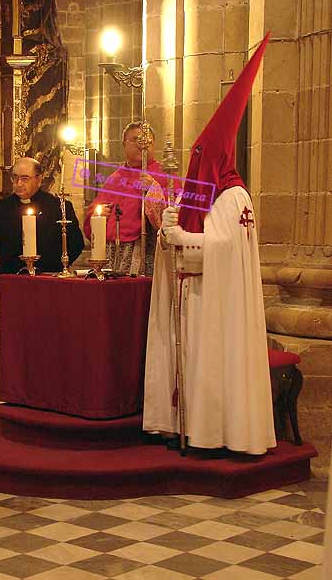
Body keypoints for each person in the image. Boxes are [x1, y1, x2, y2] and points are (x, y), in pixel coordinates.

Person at [143, 34, 276, 456]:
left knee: (213, 366)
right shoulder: (200, 193)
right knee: (193, 369)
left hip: (216, 301)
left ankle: (217, 434)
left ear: (217, 159)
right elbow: (180, 233)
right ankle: (187, 428)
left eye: (201, 155)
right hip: (190, 295)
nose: (194, 163)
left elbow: (228, 248)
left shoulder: (235, 197)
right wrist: (166, 229)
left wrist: (184, 236)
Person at [83, 122, 167, 276]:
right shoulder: (115, 177)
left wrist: (153, 188)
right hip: (111, 251)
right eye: (135, 140)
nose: (141, 145)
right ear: (124, 144)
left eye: (147, 141)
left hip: (144, 249)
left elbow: (172, 217)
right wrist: (98, 215)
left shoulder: (165, 174)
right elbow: (94, 212)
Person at [0, 157, 84, 274]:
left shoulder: (59, 207)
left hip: (49, 275)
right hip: (13, 275)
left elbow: (75, 243)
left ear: (39, 180)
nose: (19, 183)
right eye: (15, 177)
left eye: (25, 178)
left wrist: (57, 265)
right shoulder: (1, 208)